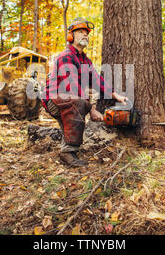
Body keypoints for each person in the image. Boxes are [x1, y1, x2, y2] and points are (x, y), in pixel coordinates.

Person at [41, 18, 128, 167]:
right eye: (80, 32)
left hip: (67, 101)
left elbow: (97, 79)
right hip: (55, 101)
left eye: (86, 33)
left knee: (76, 114)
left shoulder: (84, 60)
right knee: (80, 104)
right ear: (71, 36)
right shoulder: (66, 56)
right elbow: (72, 88)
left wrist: (116, 95)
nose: (85, 35)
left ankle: (68, 149)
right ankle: (67, 153)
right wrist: (92, 109)